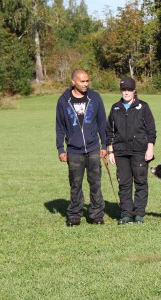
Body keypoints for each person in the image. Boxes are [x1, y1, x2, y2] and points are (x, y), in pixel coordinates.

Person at [56, 69, 107, 226]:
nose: (86, 84)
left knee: (95, 183)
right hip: (73, 150)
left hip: (93, 148)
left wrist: (104, 145)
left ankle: (96, 214)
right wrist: (60, 148)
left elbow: (102, 123)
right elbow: (60, 126)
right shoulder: (63, 101)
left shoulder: (95, 98)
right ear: (73, 81)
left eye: (87, 81)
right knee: (75, 184)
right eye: (82, 81)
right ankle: (74, 215)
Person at [106, 77, 157, 224]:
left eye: (129, 89)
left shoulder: (144, 107)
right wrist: (110, 151)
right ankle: (126, 214)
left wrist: (150, 148)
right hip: (120, 151)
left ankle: (139, 214)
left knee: (140, 182)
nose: (126, 92)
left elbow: (151, 130)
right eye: (123, 90)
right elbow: (109, 131)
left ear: (134, 91)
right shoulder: (115, 108)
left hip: (139, 151)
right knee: (124, 183)